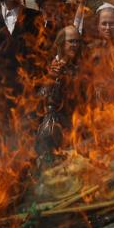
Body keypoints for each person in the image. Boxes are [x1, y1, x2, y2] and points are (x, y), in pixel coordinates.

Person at [36, 25, 84, 160]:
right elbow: (38, 102)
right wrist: (51, 78)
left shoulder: (82, 66)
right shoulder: (49, 65)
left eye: (77, 41)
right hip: (53, 129)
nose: (75, 45)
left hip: (77, 125)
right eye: (71, 41)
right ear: (61, 43)